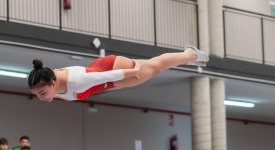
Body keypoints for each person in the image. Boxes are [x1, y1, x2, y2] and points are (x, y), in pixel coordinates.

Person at [27, 46, 208, 102]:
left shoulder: (77, 81)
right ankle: (188, 55)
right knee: (154, 66)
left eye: (42, 93)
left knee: (155, 67)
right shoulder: (51, 80)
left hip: (111, 69)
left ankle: (190, 55)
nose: (41, 98)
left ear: (52, 83)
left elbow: (107, 76)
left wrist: (133, 71)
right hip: (104, 79)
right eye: (37, 95)